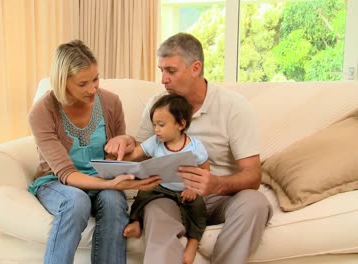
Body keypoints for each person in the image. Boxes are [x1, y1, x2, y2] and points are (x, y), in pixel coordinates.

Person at [108, 32, 273, 264]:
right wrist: (125, 142)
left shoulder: (234, 107)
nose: (163, 79)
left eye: (171, 71)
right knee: (155, 210)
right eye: (161, 71)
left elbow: (253, 175)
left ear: (195, 68)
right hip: (168, 194)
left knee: (255, 203)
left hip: (218, 197)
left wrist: (217, 183)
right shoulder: (159, 104)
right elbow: (142, 151)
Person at [28, 39, 161, 264]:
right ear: (63, 82)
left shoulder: (111, 102)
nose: (93, 89)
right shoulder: (42, 111)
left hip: (102, 178)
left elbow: (119, 158)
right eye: (83, 84)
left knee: (113, 201)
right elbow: (66, 174)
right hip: (57, 183)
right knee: (77, 201)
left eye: (96, 79)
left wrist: (126, 141)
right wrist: (111, 184)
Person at [121, 93, 210, 264]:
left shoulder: (195, 147)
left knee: (199, 207)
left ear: (181, 124)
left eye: (161, 125)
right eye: (154, 125)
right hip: (161, 189)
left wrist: (193, 189)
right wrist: (117, 160)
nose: (156, 130)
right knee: (143, 194)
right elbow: (135, 154)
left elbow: (205, 171)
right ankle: (136, 222)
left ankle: (193, 242)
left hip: (186, 190)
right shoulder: (155, 142)